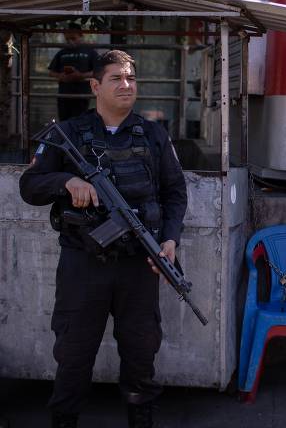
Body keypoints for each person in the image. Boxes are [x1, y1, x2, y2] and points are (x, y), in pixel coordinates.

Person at [20, 50, 188, 428]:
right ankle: (65, 418)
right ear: (95, 86)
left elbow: (175, 193)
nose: (126, 85)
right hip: (83, 264)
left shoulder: (154, 134)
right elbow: (29, 186)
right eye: (116, 78)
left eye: (131, 78)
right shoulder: (68, 134)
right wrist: (67, 181)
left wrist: (170, 240)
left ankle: (140, 417)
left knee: (141, 350)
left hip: (140, 263)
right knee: (74, 351)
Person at [48, 24, 100, 121]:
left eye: (73, 38)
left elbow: (99, 71)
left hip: (82, 94)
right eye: (67, 39)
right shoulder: (62, 52)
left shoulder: (90, 52)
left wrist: (81, 75)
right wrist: (61, 76)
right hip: (64, 93)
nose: (70, 41)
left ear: (81, 35)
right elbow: (51, 72)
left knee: (79, 120)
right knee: (64, 121)